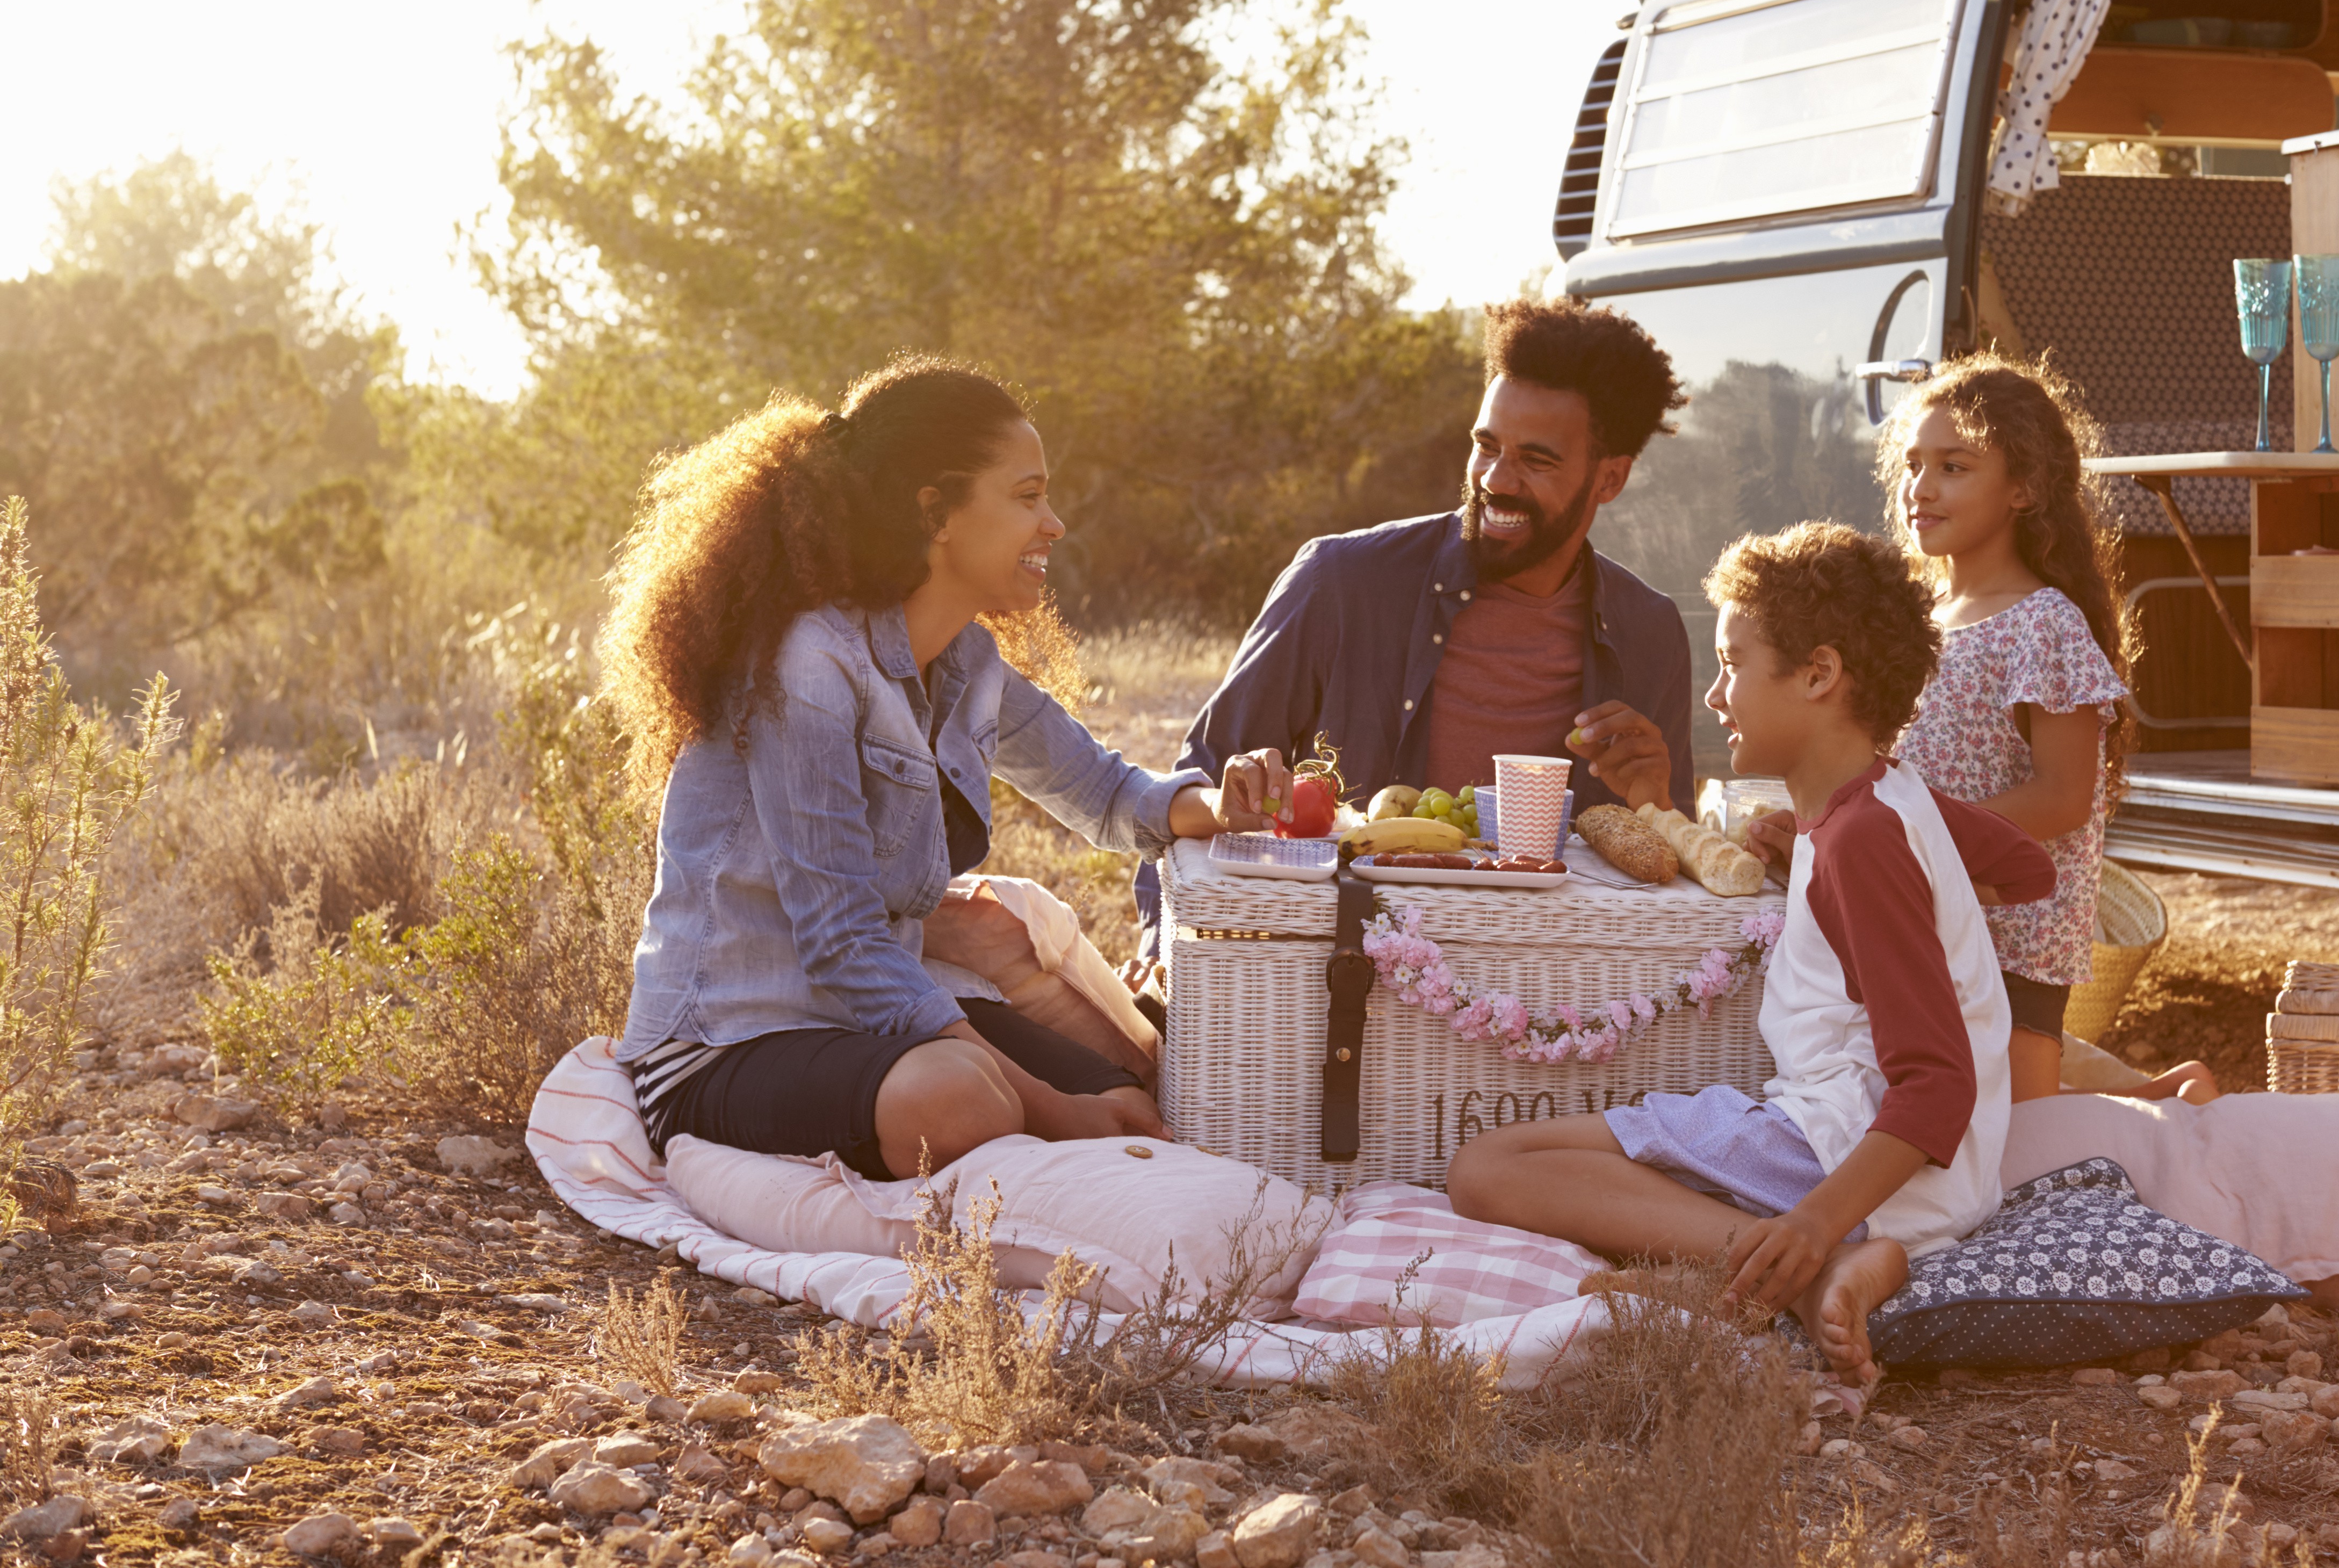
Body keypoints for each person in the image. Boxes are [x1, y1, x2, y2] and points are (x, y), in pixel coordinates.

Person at [603, 357, 1290, 1183]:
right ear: (936, 511)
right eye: (1028, 497)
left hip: (859, 1027)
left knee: (1125, 1088)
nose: (1055, 525)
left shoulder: (968, 662)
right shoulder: (809, 665)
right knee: (965, 1103)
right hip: (726, 1041)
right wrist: (1053, 1111)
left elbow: (1109, 795)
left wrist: (1228, 800)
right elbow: (841, 940)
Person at [1446, 523, 2055, 1385]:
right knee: (1550, 1167)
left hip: (1842, 1154)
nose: (1715, 696)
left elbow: (1939, 1086)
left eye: (1733, 663)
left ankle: (1801, 1269)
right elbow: (2027, 870)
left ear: (1818, 674)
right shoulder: (1885, 802)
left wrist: (1810, 1227)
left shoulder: (1861, 843)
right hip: (1921, 1179)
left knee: (1487, 1169)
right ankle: (1800, 1254)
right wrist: (1821, 845)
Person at [1136, 298, 1696, 947]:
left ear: (1610, 480)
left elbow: (1672, 871)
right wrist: (1163, 957)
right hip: (1343, 965)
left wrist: (1656, 801)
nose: (1495, 480)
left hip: (1549, 975)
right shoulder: (1340, 581)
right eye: (1485, 446)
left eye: (1536, 461)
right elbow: (1196, 784)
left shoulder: (1650, 631)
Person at [1877, 354, 2215, 1105]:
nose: (1920, 488)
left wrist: (1915, 832)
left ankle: (2171, 1102)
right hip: (1924, 911)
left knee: (2024, 1134)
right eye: (1913, 465)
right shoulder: (1916, 621)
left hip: (2014, 931)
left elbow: (2063, 797)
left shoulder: (2044, 624)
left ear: (2024, 489)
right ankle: (2158, 1092)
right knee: (1945, 1112)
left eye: (1954, 467)